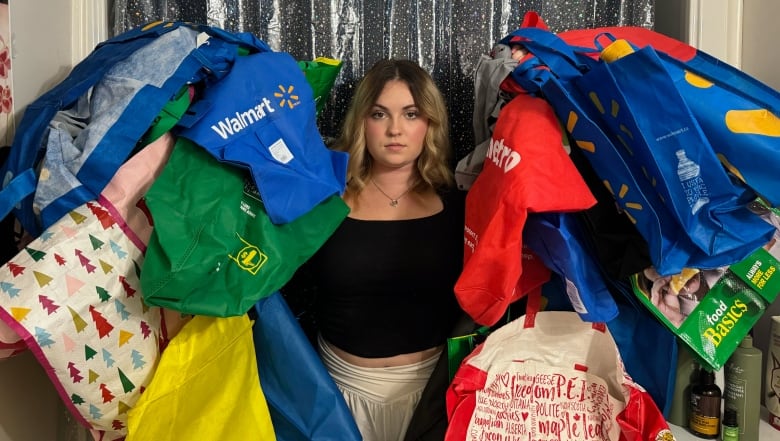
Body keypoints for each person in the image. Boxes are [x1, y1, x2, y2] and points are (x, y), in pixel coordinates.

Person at [301, 58, 466, 441]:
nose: (395, 130)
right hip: (339, 398)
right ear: (361, 121)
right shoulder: (322, 201)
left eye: (411, 114)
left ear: (430, 123)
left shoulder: (461, 207)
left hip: (434, 400)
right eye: (380, 114)